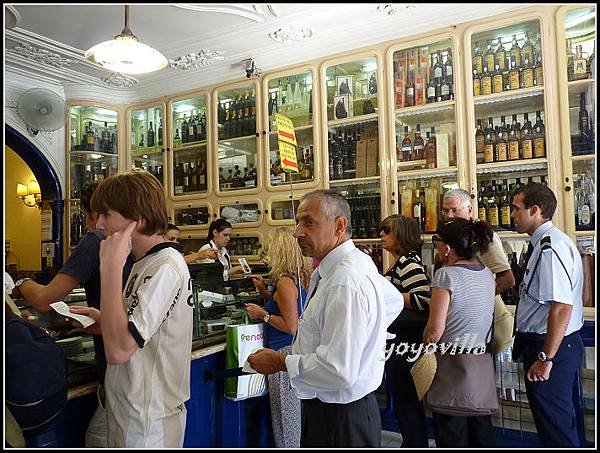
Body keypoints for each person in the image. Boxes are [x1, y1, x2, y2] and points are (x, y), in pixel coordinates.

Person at [247, 189, 403, 448]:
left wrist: (280, 362)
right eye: (298, 222)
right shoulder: (349, 265)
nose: (297, 232)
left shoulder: (344, 281)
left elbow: (337, 371)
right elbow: (394, 300)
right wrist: (362, 337)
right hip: (336, 412)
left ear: (339, 226)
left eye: (309, 222)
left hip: (340, 420)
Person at [70, 170, 193, 448]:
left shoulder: (165, 266)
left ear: (137, 220)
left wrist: (110, 266)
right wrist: (103, 322)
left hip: (148, 421)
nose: (99, 224)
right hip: (130, 411)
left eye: (107, 215)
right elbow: (136, 329)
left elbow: (118, 351)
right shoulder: (144, 262)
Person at [10, 182, 134, 448]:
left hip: (116, 371)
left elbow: (44, 300)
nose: (98, 224)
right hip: (136, 371)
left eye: (103, 216)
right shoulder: (138, 244)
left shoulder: (95, 242)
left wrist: (20, 284)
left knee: (98, 440)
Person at [510, 183, 584, 447]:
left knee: (556, 429)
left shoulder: (550, 247)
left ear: (535, 210)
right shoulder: (542, 244)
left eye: (516, 209)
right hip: (547, 345)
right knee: (554, 423)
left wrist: (546, 357)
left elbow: (562, 306)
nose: (512, 215)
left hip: (552, 348)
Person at [424, 218, 497, 447]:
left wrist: (426, 347)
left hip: (452, 363)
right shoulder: (486, 273)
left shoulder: (446, 276)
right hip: (480, 362)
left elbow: (435, 330)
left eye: (437, 241)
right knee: (480, 430)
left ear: (447, 247)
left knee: (451, 432)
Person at [244, 227, 311, 448]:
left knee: (285, 421)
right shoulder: (300, 277)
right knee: (296, 418)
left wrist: (262, 314)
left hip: (282, 354)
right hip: (298, 351)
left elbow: (290, 326)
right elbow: (291, 308)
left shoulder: (284, 281)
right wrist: (265, 292)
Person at [441, 188, 515, 353]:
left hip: (489, 322)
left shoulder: (483, 236)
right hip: (461, 323)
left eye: (454, 210)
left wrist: (476, 301)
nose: (449, 216)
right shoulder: (450, 235)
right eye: (446, 211)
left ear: (469, 209)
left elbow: (507, 278)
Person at [379, 215, 431, 447]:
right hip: (399, 342)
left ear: (402, 234)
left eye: (387, 230)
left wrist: (389, 296)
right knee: (404, 400)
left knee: (406, 400)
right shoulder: (400, 261)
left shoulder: (407, 262)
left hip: (405, 343)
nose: (382, 234)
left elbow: (424, 299)